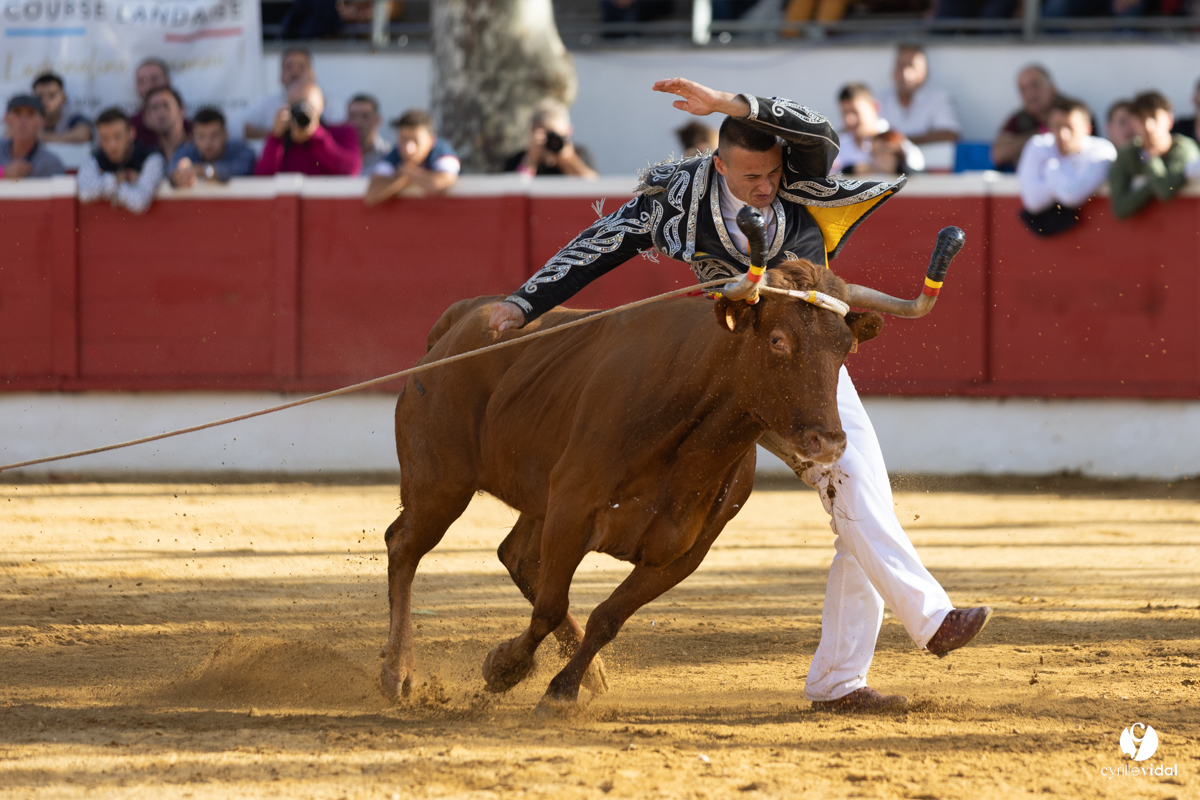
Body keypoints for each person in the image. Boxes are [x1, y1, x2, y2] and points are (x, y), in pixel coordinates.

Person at [488, 77, 992, 713]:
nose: (766, 186)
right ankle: (915, 629)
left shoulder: (800, 174)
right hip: (724, 363)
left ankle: (845, 679)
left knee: (860, 499)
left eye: (772, 174)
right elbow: (596, 247)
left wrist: (733, 104)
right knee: (858, 501)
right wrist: (523, 302)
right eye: (751, 175)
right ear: (718, 164)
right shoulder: (675, 202)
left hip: (804, 362)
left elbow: (821, 132)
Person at [1016, 96, 1116, 236]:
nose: (1063, 135)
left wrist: (1051, 169)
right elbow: (1032, 201)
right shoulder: (1037, 145)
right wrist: (1066, 177)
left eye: (1069, 127)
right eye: (1057, 127)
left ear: (1086, 129)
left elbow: (1071, 196)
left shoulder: (1102, 150)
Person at [1109, 91, 1200, 220]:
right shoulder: (1128, 154)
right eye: (1141, 119)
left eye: (1154, 117)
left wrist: (1152, 159)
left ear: (1169, 119)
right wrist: (1153, 182)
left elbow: (1166, 190)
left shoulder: (1185, 149)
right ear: (1134, 123)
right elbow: (1119, 208)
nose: (1148, 127)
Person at [253, 80, 361, 177]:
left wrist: (317, 135)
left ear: (322, 106)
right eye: (296, 106)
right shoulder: (281, 139)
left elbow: (351, 170)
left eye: (308, 107)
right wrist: (276, 137)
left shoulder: (342, 132)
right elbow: (262, 177)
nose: (302, 113)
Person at [78, 107, 165, 215]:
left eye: (117, 136)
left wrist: (107, 187)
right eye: (105, 138)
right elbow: (84, 193)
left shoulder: (152, 158)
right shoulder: (95, 159)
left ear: (131, 133)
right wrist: (120, 178)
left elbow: (140, 202)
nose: (112, 145)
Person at [364, 109, 460, 205]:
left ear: (431, 140)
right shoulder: (394, 153)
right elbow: (371, 195)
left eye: (416, 141)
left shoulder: (443, 153)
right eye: (403, 139)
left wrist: (408, 172)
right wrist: (404, 178)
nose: (409, 148)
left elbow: (438, 185)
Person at [876, 45, 961, 146]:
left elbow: (950, 134)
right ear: (893, 71)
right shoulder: (879, 100)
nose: (905, 73)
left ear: (925, 73)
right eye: (900, 66)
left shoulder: (939, 99)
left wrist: (901, 142)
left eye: (911, 66)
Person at [832, 83, 924, 175]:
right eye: (844, 113)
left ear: (875, 107)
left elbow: (920, 178)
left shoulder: (899, 143)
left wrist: (896, 168)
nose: (849, 120)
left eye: (855, 112)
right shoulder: (836, 147)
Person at [504, 99, 597, 178]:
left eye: (556, 136)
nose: (551, 141)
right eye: (545, 136)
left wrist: (569, 160)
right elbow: (513, 193)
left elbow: (595, 190)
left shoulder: (581, 155)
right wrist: (530, 161)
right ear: (531, 133)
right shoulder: (517, 160)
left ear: (568, 132)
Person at [991, 65, 1058, 173]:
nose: (1030, 94)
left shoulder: (1072, 111)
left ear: (1053, 87)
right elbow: (998, 154)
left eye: (1035, 85)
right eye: (1023, 89)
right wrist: (1042, 134)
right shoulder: (1018, 119)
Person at [168, 108, 256, 188]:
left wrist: (202, 171)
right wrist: (180, 171)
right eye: (201, 136)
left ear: (225, 134)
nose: (208, 142)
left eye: (214, 135)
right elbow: (171, 170)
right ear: (193, 137)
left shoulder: (241, 149)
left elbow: (242, 169)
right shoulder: (187, 150)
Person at [244, 49, 316, 140]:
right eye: (289, 67)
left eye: (301, 66)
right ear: (281, 75)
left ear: (313, 74)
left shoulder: (329, 106)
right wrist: (277, 133)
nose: (295, 72)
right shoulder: (267, 104)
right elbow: (245, 129)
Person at [1, 95, 65, 179]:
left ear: (42, 122)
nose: (23, 121)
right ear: (6, 119)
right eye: (17, 114)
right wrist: (2, 172)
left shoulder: (50, 163)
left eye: (30, 115)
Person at [129, 58, 186, 147]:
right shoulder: (129, 127)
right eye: (142, 81)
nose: (149, 86)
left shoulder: (192, 130)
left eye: (155, 79)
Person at [31, 73, 93, 144]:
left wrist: (42, 138)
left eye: (52, 96)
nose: (45, 101)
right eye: (39, 97)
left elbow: (83, 135)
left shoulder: (72, 118)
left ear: (64, 98)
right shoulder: (26, 119)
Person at [346, 94, 392, 175]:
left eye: (365, 116)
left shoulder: (389, 154)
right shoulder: (336, 152)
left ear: (378, 120)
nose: (357, 122)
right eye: (352, 116)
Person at [143, 86, 190, 165]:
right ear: (147, 117)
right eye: (154, 108)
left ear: (181, 110)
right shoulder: (144, 157)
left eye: (166, 105)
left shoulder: (199, 151)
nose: (160, 113)